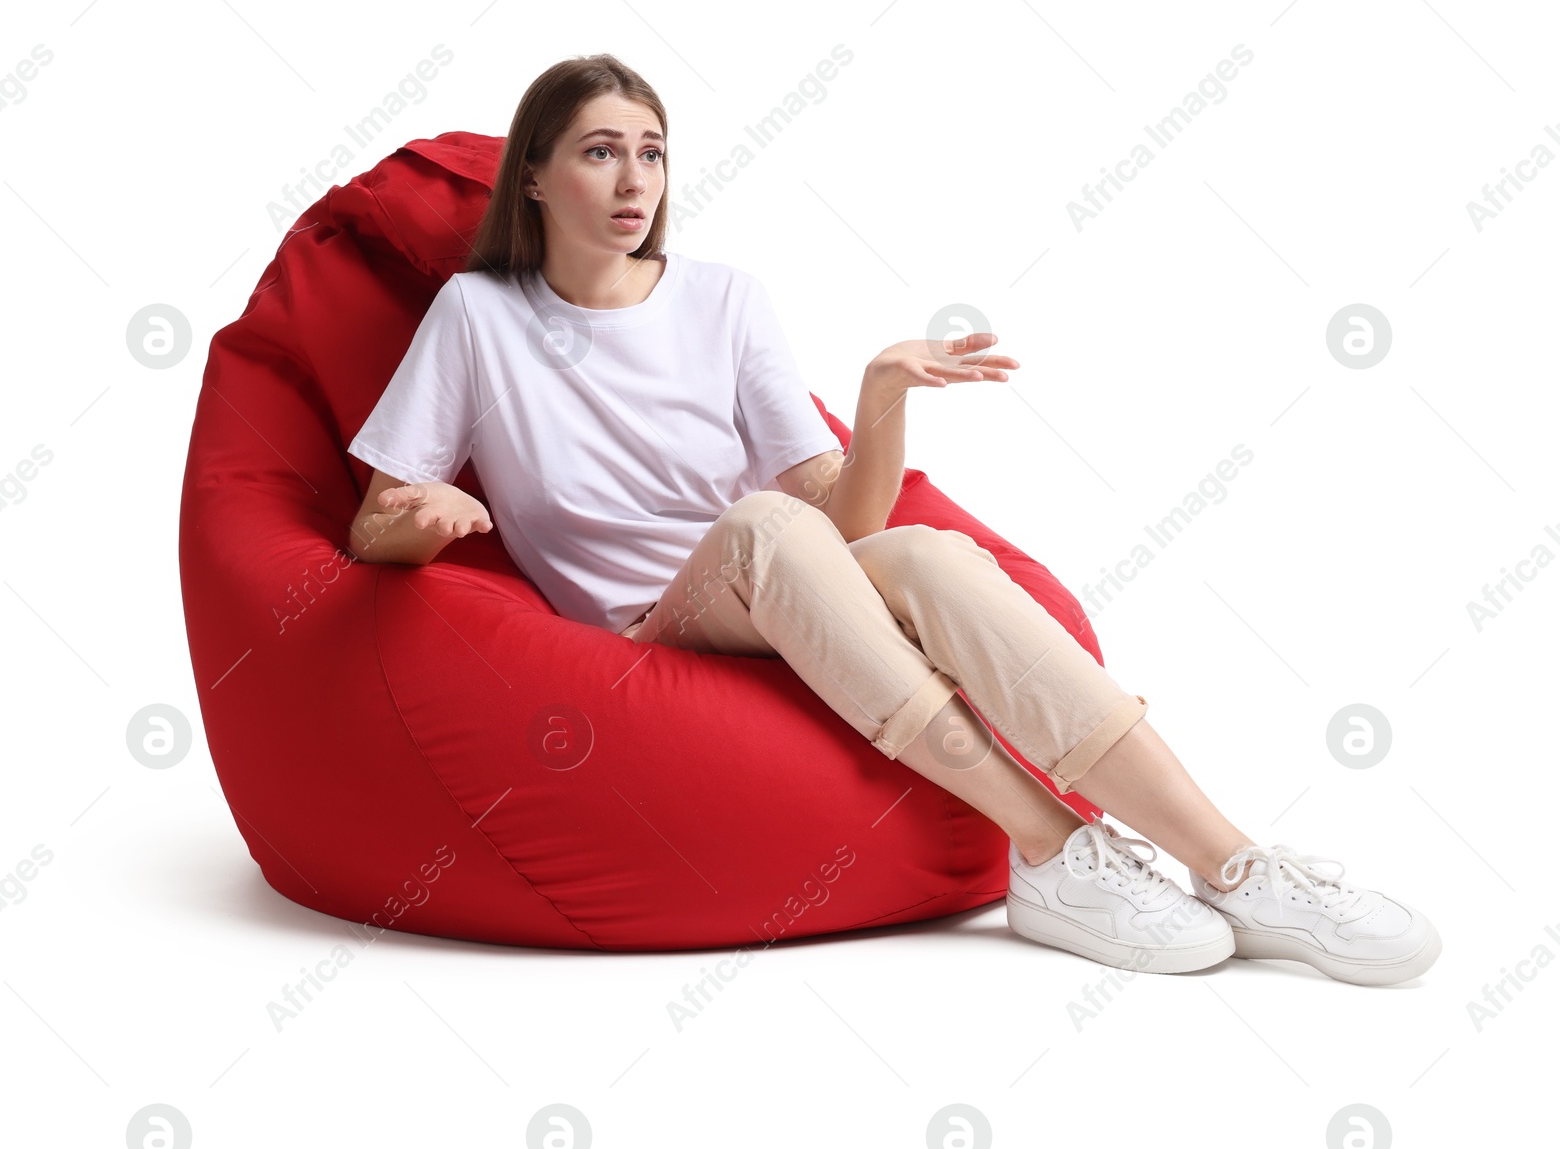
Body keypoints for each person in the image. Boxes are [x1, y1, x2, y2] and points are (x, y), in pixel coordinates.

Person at [344, 53, 1440, 986]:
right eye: (598, 151)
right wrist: (432, 515)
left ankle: (1240, 866)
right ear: (530, 175)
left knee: (917, 546)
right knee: (765, 528)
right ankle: (1053, 844)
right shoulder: (477, 315)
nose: (634, 178)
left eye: (651, 150)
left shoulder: (723, 296)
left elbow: (845, 516)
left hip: (784, 573)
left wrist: (878, 400)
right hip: (650, 621)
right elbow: (367, 530)